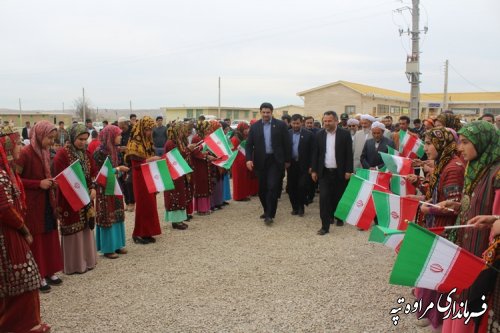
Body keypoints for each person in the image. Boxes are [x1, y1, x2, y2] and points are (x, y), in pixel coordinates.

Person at [438, 121, 499, 332]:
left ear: (482, 142)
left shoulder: (497, 174)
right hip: (465, 247)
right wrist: (456, 205)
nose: (459, 148)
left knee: (472, 303)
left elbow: (496, 218)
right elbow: (474, 204)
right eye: (459, 142)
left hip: (481, 255)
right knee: (459, 294)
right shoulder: (476, 168)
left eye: (465, 142)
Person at [406, 127, 465, 331]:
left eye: (430, 143)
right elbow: (441, 198)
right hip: (436, 226)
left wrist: (427, 207)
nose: (426, 148)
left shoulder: (453, 168)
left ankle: (437, 317)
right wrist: (423, 197)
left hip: (445, 230)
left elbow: (454, 207)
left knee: (437, 274)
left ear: (441, 144)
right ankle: (432, 314)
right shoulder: (445, 164)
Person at [0, 127, 51, 333]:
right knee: (24, 278)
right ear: (8, 147)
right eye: (18, 143)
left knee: (17, 280)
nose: (21, 147)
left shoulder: (6, 172)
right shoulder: (2, 175)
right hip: (8, 234)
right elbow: (4, 208)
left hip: (10, 231)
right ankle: (22, 325)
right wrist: (23, 228)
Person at [17, 121, 63, 293]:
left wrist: (51, 183)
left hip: (46, 201)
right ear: (38, 135)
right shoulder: (25, 153)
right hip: (33, 203)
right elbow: (16, 180)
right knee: (37, 238)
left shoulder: (44, 151)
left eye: (53, 138)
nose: (52, 142)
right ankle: (39, 274)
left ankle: (50, 270)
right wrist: (38, 184)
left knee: (50, 234)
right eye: (49, 138)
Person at [53, 124, 98, 275]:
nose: (83, 142)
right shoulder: (62, 155)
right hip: (69, 198)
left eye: (85, 139)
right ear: (72, 137)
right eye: (80, 139)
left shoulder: (86, 153)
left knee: (86, 227)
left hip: (86, 196)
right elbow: (61, 178)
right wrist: (79, 192)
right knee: (73, 226)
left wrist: (92, 188)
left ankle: (88, 260)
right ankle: (74, 265)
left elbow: (92, 173)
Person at [245, 102, 291, 224]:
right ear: (260, 112)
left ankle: (270, 215)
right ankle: (267, 210)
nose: (266, 114)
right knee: (262, 190)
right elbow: (249, 145)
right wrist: (248, 159)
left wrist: (287, 160)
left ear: (272, 112)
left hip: (275, 161)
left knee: (272, 187)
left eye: (268, 112)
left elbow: (287, 144)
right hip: (260, 161)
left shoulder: (280, 125)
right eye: (263, 112)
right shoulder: (255, 127)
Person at [311, 111, 353, 235]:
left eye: (329, 121)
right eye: (325, 121)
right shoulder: (319, 135)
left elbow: (348, 154)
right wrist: (314, 170)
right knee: (324, 198)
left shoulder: (344, 135)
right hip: (324, 172)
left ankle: (338, 217)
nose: (327, 123)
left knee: (338, 197)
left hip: (340, 172)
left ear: (336, 121)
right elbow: (316, 154)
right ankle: (325, 226)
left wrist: (348, 170)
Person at [125, 116, 162, 244]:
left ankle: (147, 232)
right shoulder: (134, 143)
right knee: (142, 205)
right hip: (140, 177)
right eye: (147, 129)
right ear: (141, 128)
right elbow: (135, 165)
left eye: (151, 130)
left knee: (150, 205)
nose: (149, 132)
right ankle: (138, 233)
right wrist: (151, 160)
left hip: (149, 175)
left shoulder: (148, 141)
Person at [94, 125, 129, 258]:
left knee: (118, 213)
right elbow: (101, 173)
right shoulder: (100, 152)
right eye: (118, 135)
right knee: (108, 215)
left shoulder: (115, 150)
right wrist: (118, 169)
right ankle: (108, 248)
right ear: (111, 136)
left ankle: (118, 245)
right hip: (104, 189)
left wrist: (119, 171)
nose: (120, 137)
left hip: (115, 185)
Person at [163, 123, 191, 230]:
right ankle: (176, 221)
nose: (182, 132)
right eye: (180, 130)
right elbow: (176, 157)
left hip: (177, 172)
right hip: (172, 173)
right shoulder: (170, 143)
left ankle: (179, 219)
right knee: (174, 195)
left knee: (179, 194)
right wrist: (188, 150)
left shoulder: (176, 142)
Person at [287, 114, 314, 217]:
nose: (295, 125)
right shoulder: (287, 134)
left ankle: (301, 206)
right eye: (293, 123)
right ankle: (294, 207)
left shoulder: (309, 135)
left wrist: (312, 165)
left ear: (301, 123)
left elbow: (313, 151)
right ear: (290, 123)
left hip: (304, 165)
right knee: (291, 187)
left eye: (297, 123)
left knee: (302, 186)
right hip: (291, 165)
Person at [231, 122, 252, 201]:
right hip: (237, 162)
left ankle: (244, 195)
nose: (247, 130)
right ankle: (238, 196)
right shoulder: (235, 138)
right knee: (238, 180)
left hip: (243, 161)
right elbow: (233, 150)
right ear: (241, 129)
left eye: (247, 129)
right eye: (245, 129)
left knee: (244, 179)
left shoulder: (244, 137)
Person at [118, 116, 135, 212]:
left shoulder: (133, 132)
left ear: (126, 124)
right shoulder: (119, 133)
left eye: (122, 127)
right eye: (119, 127)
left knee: (129, 182)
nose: (121, 129)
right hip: (120, 160)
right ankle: (127, 202)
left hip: (130, 160)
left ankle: (132, 202)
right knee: (122, 182)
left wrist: (127, 148)